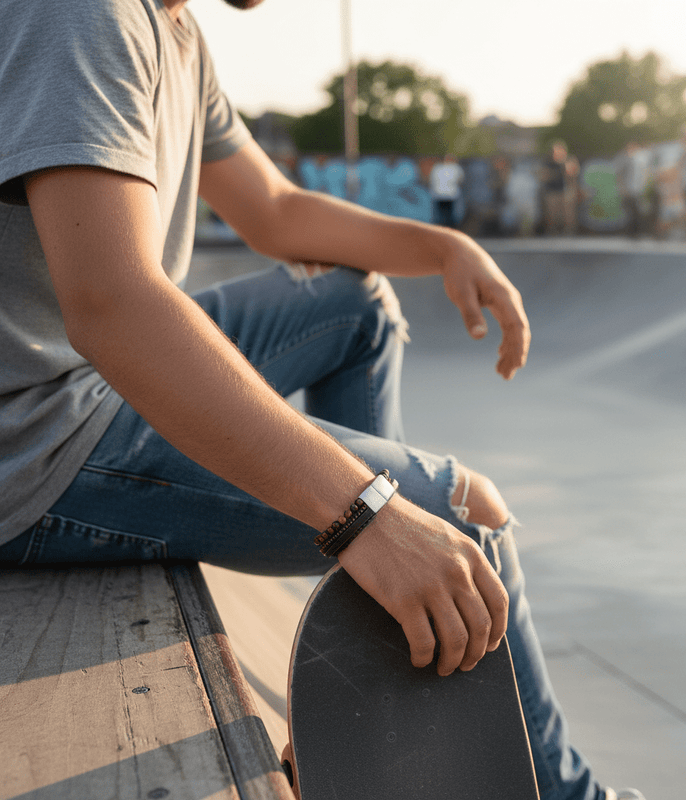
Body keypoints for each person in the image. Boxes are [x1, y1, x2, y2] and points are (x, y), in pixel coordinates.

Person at [0, 2, 645, 799]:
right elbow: (111, 304)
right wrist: (367, 512)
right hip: (35, 438)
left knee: (353, 304)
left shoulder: (173, 29)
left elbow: (274, 211)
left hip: (78, 381)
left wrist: (443, 245)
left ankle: (368, 677)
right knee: (462, 515)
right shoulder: (80, 15)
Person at [540, 141, 570, 235]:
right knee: (551, 215)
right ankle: (551, 232)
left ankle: (567, 233)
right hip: (551, 192)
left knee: (565, 215)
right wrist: (557, 172)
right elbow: (544, 176)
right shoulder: (547, 163)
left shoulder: (566, 162)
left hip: (563, 192)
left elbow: (571, 175)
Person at [428, 154, 465, 228]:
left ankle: (440, 231)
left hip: (438, 195)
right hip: (451, 195)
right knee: (450, 216)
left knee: (440, 216)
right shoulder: (456, 168)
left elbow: (431, 180)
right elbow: (461, 180)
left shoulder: (436, 167)